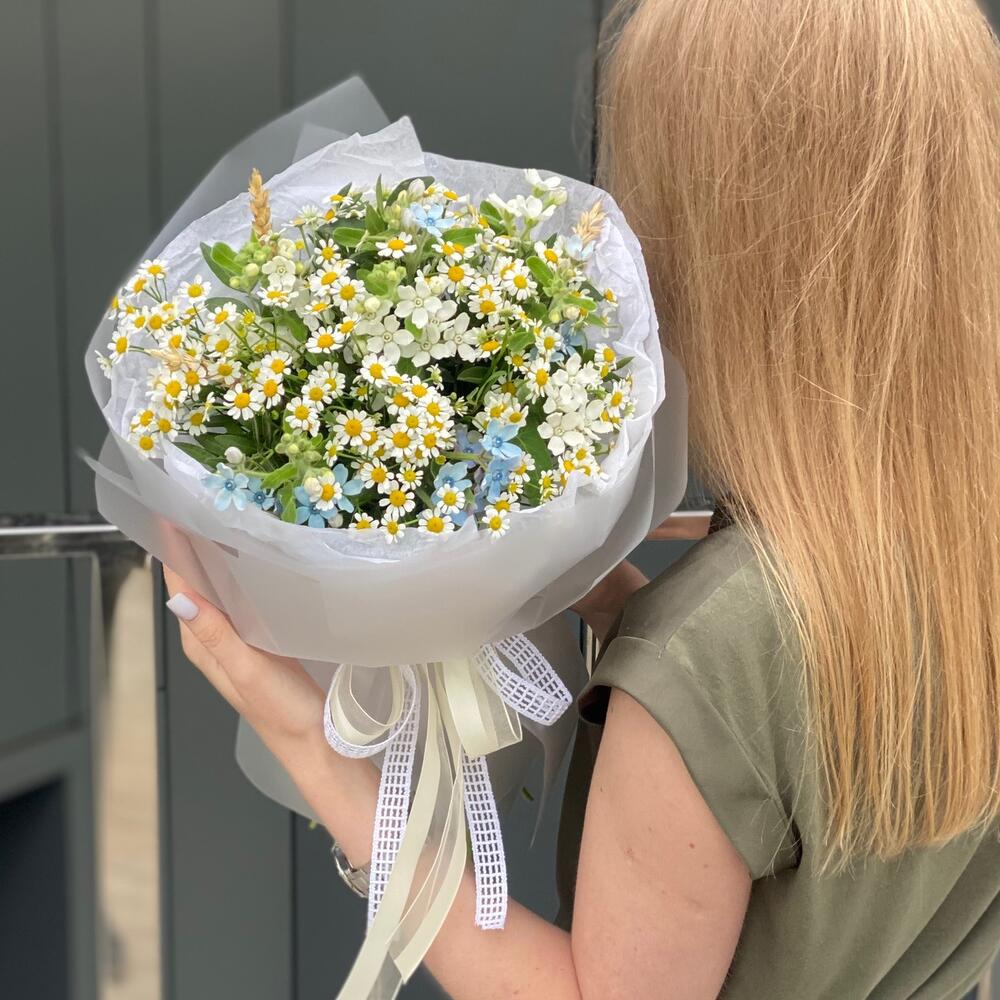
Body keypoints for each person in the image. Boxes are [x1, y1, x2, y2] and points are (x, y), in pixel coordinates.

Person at [162, 0, 1000, 995]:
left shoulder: (719, 651)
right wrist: (628, 617)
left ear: (719, 246)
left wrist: (307, 738)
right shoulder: (954, 548)